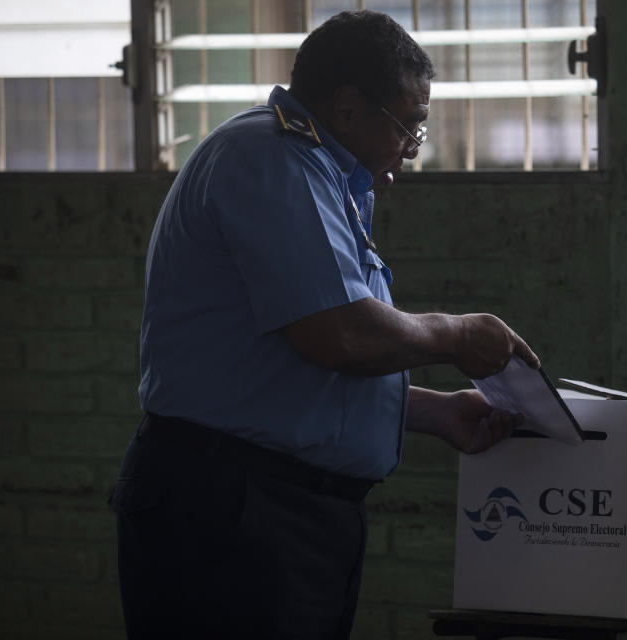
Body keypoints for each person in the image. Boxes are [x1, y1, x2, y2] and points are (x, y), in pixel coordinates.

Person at [109, 9, 539, 640]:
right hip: (231, 509)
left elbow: (284, 365)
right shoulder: (270, 157)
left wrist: (429, 412)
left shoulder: (324, 174)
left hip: (278, 511)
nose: (410, 150)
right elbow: (339, 335)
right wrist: (457, 335)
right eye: (409, 127)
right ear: (345, 108)